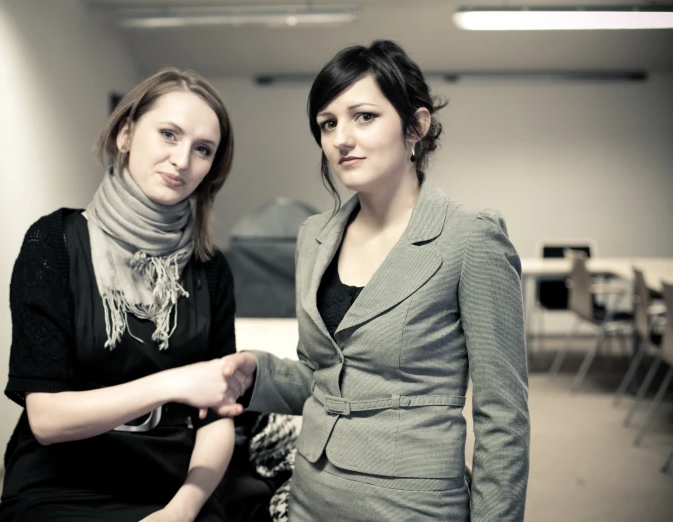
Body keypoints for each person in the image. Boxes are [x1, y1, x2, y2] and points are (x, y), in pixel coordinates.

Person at [220, 40, 530, 521]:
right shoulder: (314, 237)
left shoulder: (470, 239)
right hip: (310, 495)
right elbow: (323, 377)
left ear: (416, 127)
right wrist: (258, 371)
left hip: (411, 505)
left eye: (364, 116)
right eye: (328, 123)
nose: (342, 137)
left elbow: (504, 418)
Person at [0, 68, 248, 522]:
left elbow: (217, 418)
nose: (182, 160)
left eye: (202, 150)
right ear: (126, 133)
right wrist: (173, 384)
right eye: (168, 134)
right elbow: (47, 420)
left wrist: (184, 508)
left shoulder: (211, 269)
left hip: (177, 484)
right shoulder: (53, 244)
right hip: (63, 487)